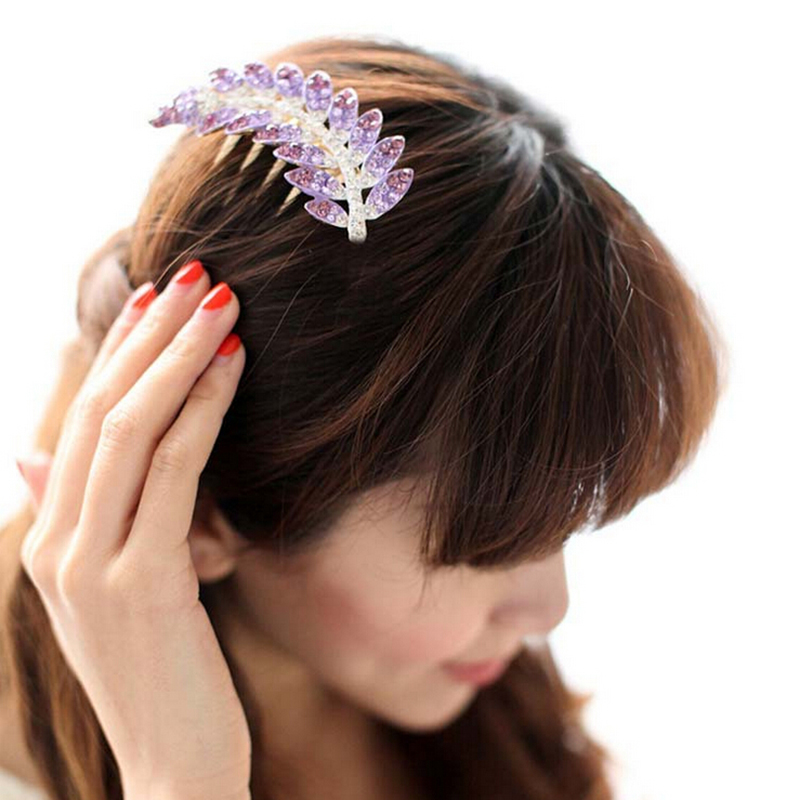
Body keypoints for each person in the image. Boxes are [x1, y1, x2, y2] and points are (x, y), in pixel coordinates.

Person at [0, 34, 726, 800]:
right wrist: (182, 782)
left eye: (561, 525)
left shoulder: (478, 713)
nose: (550, 610)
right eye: (479, 551)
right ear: (203, 512)